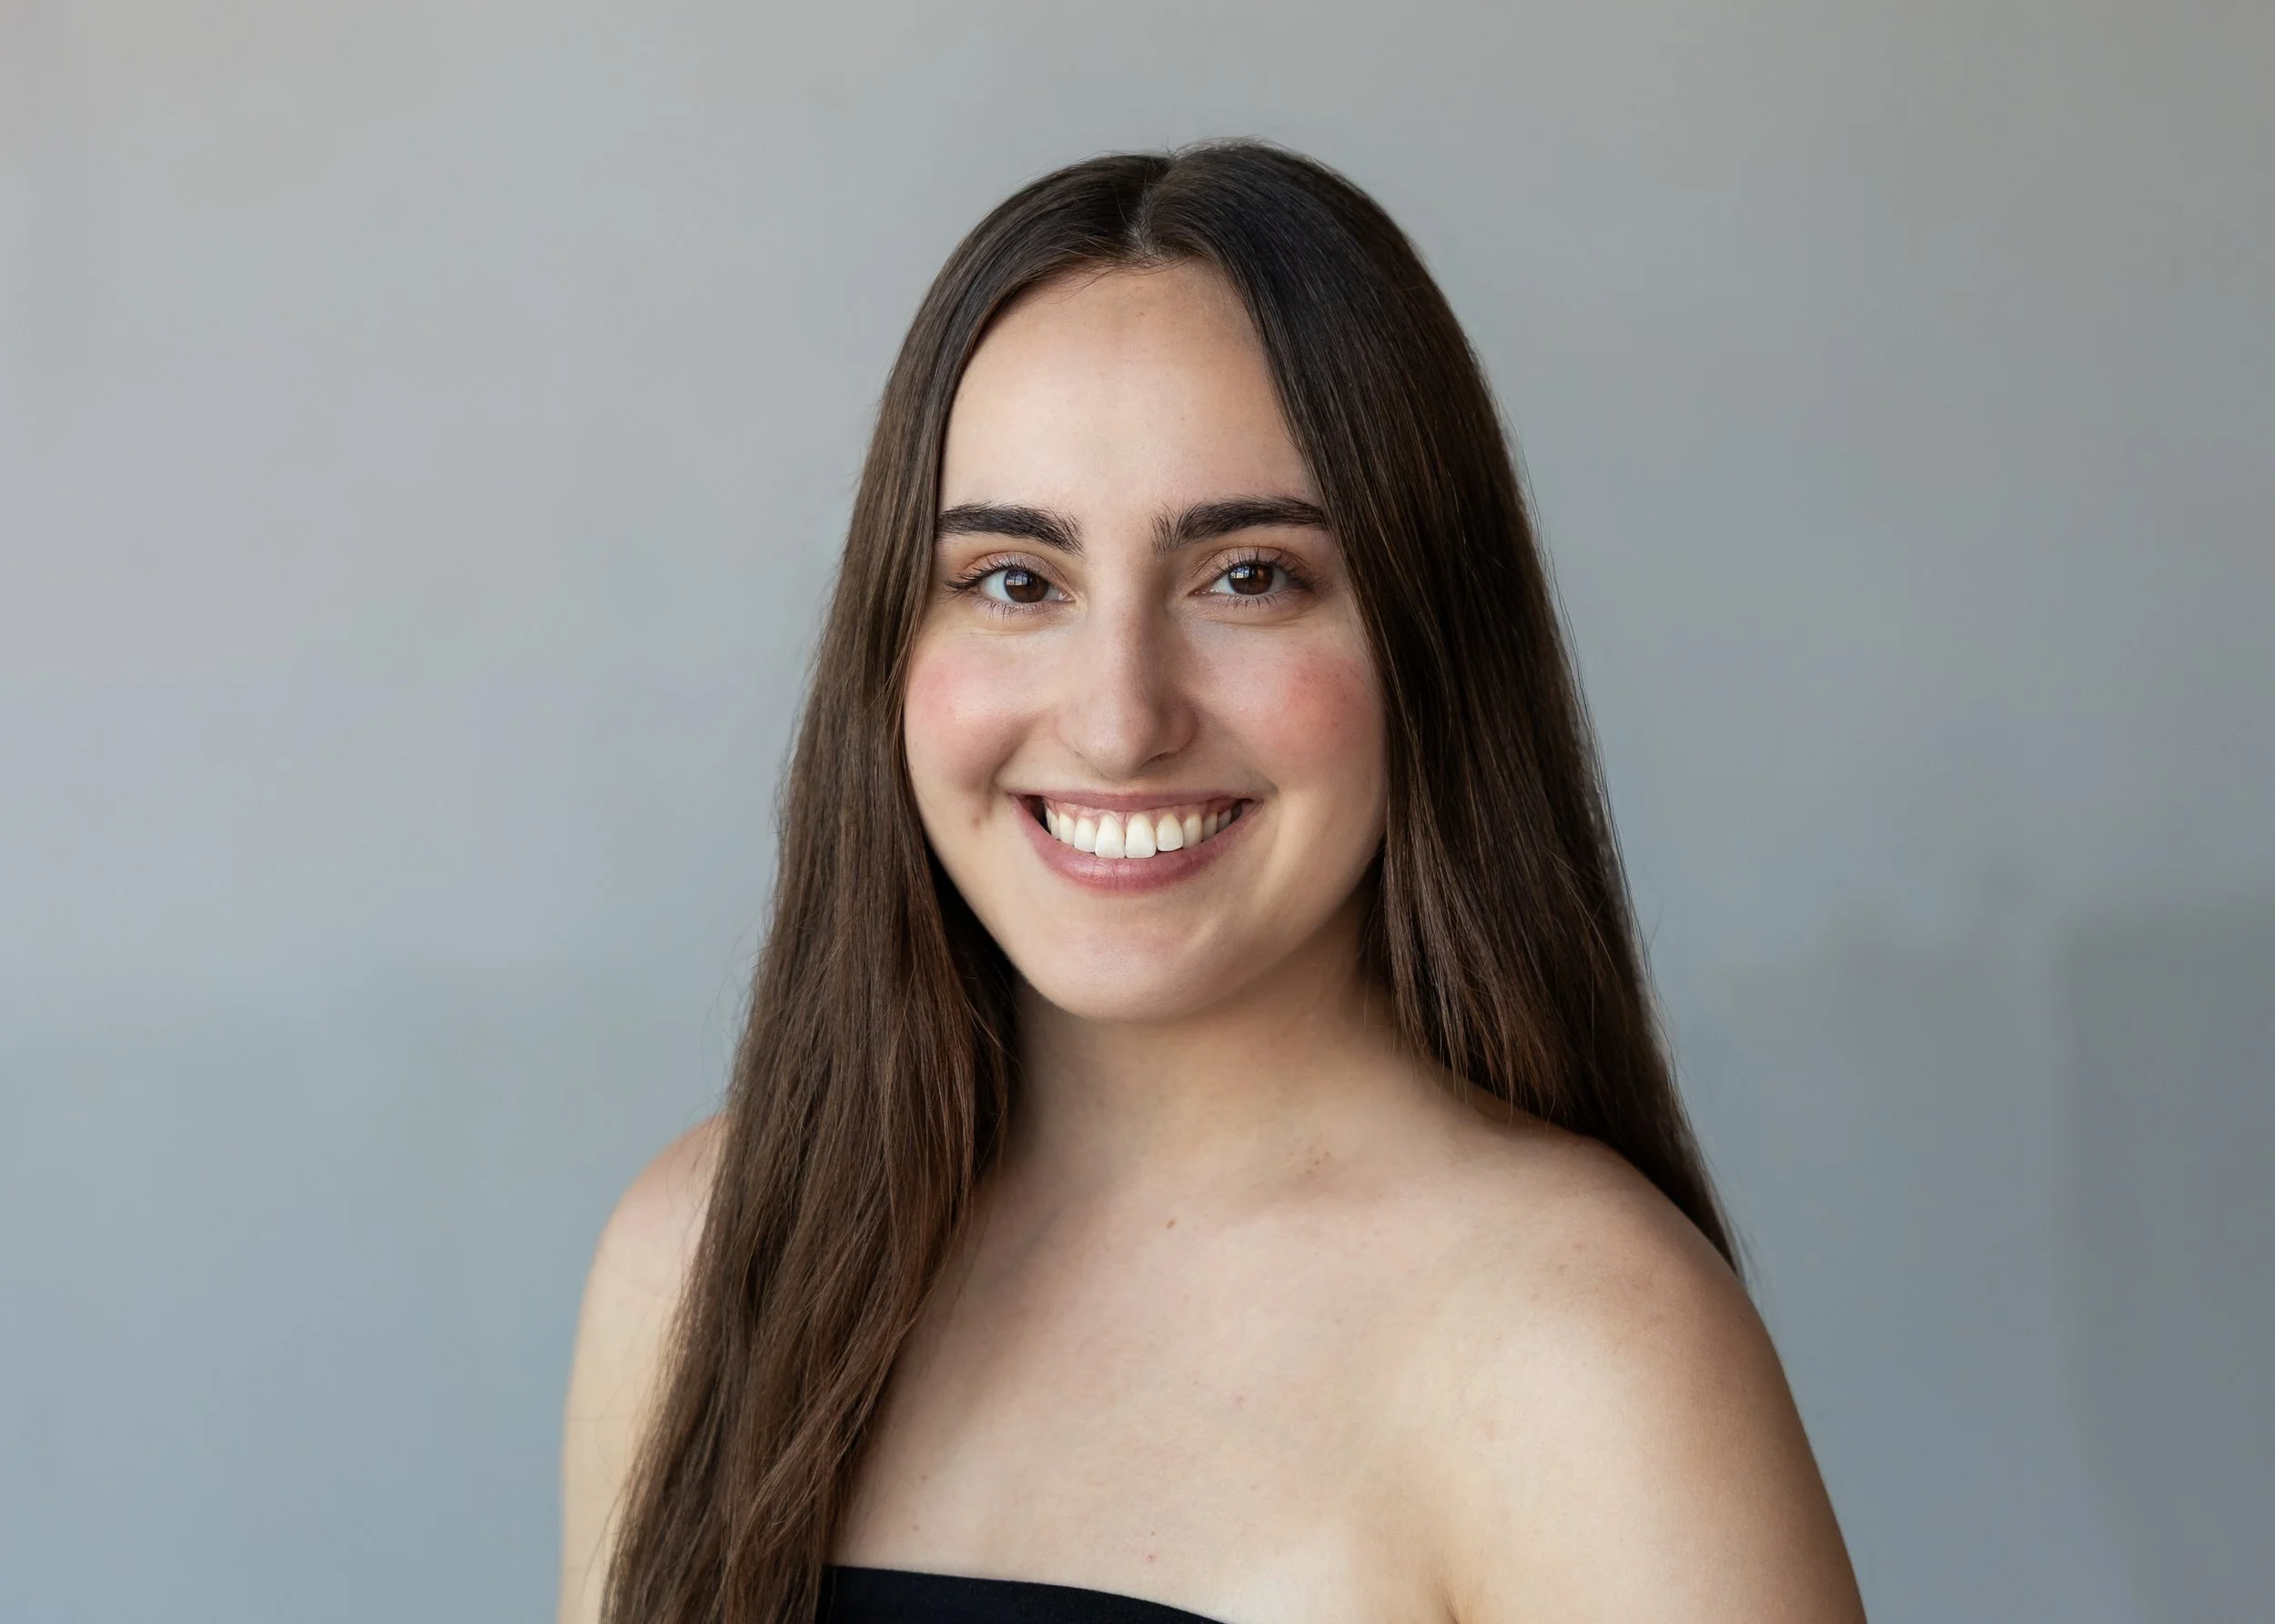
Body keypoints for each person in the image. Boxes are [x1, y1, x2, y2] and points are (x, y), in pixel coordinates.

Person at [557, 141, 1866, 1624]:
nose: (1120, 719)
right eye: (1014, 581)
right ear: (891, 652)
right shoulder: (701, 1256)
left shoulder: (1583, 1350)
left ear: (1430, 645)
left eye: (1248, 576)